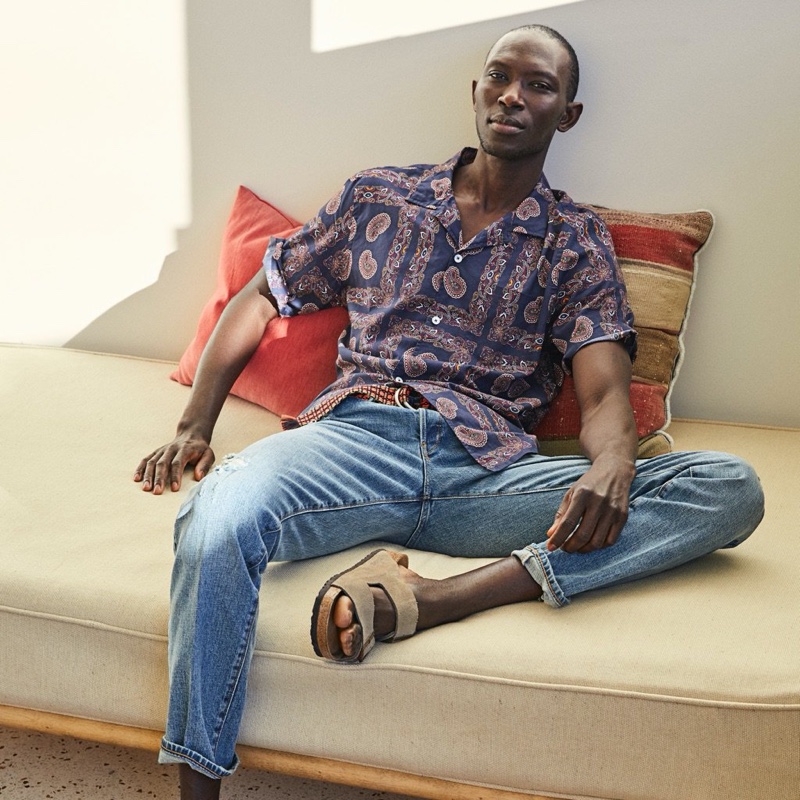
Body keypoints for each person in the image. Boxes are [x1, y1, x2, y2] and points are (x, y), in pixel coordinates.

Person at [134, 24, 764, 800]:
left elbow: (601, 391)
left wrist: (611, 465)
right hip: (354, 446)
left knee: (730, 487)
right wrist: (196, 424)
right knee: (215, 517)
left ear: (566, 114)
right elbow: (266, 292)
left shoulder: (574, 241)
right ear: (475, 92)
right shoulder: (378, 198)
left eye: (539, 85)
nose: (513, 94)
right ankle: (199, 789)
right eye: (500, 76)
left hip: (490, 475)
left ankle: (433, 600)